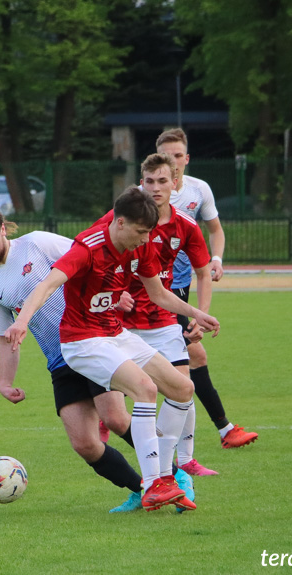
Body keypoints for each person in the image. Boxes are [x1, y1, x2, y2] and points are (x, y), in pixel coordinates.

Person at [0, 203, 194, 514]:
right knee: (84, 444)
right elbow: (7, 339)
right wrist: (5, 382)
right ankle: (142, 489)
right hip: (60, 361)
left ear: (3, 229)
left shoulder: (37, 244)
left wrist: (112, 291)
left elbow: (84, 258)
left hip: (95, 339)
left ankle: (171, 476)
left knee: (114, 417)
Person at [97, 153, 218, 477]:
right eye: (149, 181)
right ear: (141, 182)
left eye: (163, 180)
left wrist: (198, 317)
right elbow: (91, 252)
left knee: (182, 388)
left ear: (175, 183)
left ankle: (180, 462)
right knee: (124, 406)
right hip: (123, 324)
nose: (155, 187)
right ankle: (160, 468)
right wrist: (111, 292)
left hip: (163, 318)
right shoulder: (119, 219)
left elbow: (203, 273)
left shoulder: (186, 226)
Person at [155, 128, 258, 449]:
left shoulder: (199, 190)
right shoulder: (146, 193)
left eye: (177, 156)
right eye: (165, 156)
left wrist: (216, 258)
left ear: (186, 159)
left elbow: (216, 230)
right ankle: (222, 431)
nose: (171, 162)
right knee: (185, 359)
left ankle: (219, 432)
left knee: (189, 358)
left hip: (180, 289)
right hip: (151, 289)